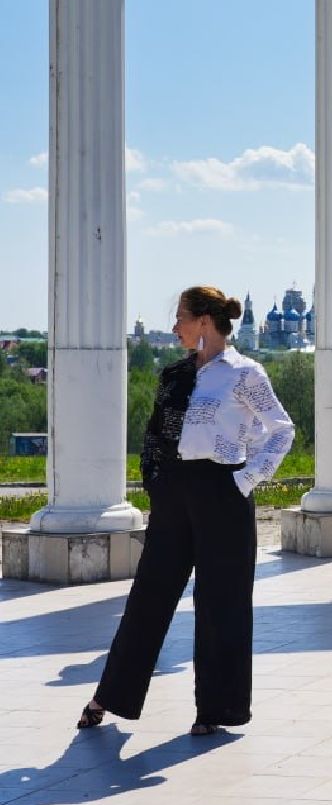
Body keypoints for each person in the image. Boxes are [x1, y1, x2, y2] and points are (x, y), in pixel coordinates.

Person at [77, 286, 294, 736]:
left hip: (224, 493)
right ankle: (109, 696)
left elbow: (281, 430)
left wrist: (244, 480)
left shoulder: (243, 373)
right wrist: (157, 485)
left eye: (180, 317)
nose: (174, 326)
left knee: (222, 604)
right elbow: (154, 437)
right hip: (174, 495)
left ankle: (216, 710)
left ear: (204, 322)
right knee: (148, 598)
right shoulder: (174, 374)